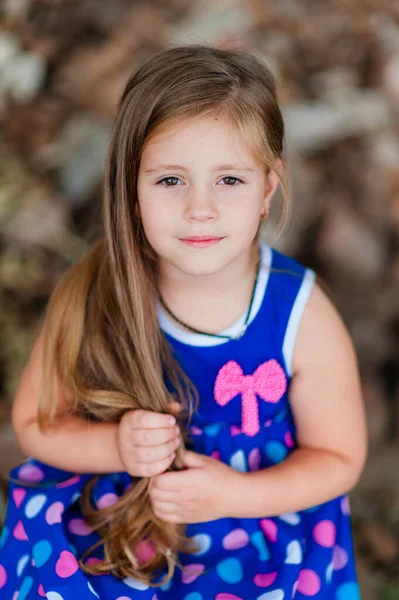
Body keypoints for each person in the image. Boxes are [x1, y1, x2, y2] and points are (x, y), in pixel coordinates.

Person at [0, 44, 367, 600]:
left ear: (268, 188)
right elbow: (35, 422)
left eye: (230, 180)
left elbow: (339, 458)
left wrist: (233, 497)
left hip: (256, 528)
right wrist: (117, 449)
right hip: (119, 527)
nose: (201, 208)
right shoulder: (97, 292)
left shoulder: (299, 314)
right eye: (171, 180)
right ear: (133, 184)